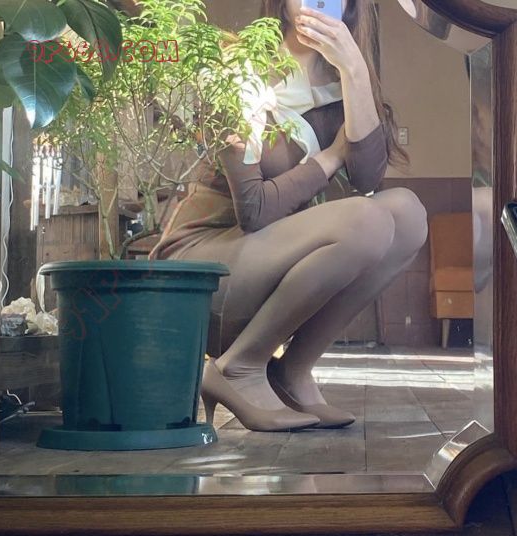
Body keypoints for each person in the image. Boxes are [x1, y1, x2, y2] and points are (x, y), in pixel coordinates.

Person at [149, 0, 428, 432]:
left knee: (406, 213)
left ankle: (292, 371)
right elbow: (255, 209)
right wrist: (330, 157)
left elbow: (368, 179)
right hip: (202, 270)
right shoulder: (241, 70)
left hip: (264, 264)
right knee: (366, 220)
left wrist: (354, 68)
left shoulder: (342, 83)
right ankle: (239, 367)